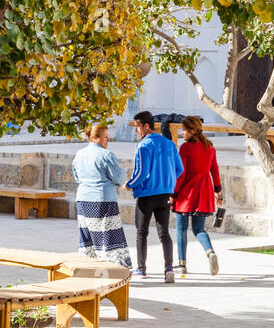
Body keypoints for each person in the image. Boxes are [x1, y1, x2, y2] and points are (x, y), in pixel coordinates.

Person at [125, 110, 184, 283]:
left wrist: (130, 184)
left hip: (146, 194)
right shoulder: (169, 144)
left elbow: (142, 173)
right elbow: (179, 169)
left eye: (137, 127)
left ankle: (141, 269)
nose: (136, 131)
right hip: (165, 193)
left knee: (141, 232)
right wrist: (167, 181)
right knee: (164, 232)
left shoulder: (144, 146)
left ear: (146, 126)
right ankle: (169, 268)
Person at [71, 123, 131, 268]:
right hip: (102, 199)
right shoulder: (106, 155)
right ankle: (114, 269)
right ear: (95, 138)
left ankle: (88, 267)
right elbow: (118, 177)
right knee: (108, 235)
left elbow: (77, 176)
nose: (107, 141)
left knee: (87, 235)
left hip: (83, 199)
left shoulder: (79, 154)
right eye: (105, 137)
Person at [173, 116, 222, 277]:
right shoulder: (210, 147)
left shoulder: (186, 148)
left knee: (181, 229)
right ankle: (210, 252)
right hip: (205, 192)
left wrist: (173, 192)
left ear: (193, 130)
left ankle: (181, 264)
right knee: (199, 229)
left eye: (184, 130)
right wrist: (218, 190)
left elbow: (181, 174)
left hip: (187, 193)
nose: (182, 133)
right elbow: (214, 170)